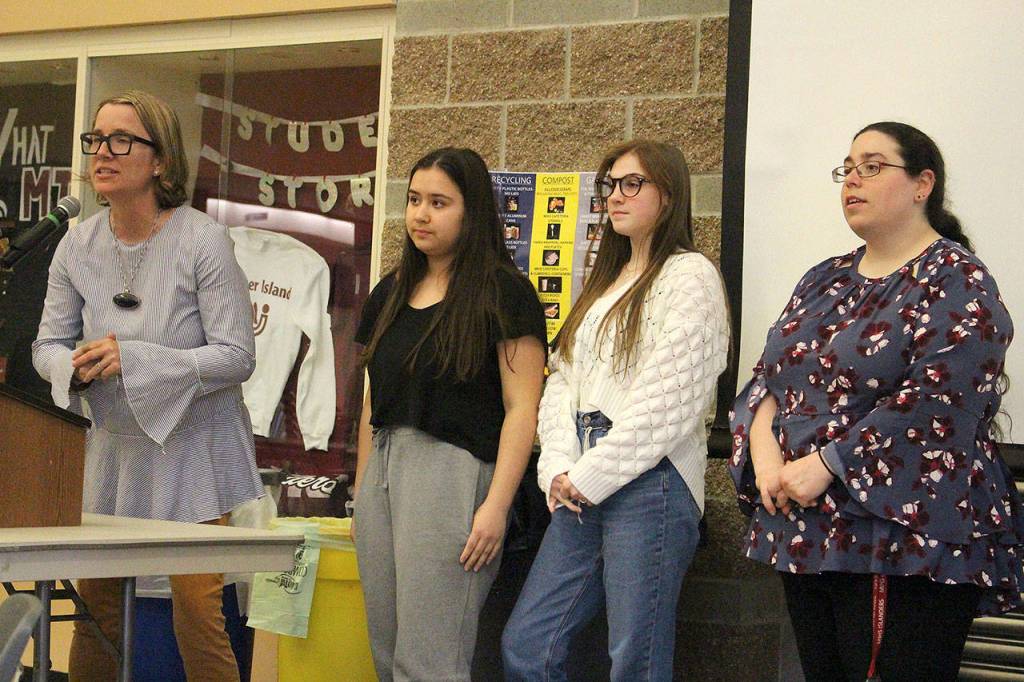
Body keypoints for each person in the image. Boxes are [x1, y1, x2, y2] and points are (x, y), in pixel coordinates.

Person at [729, 122, 1024, 682]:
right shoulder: (824, 278)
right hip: (807, 527)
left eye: (872, 166)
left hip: (903, 539)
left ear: (922, 185)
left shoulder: (956, 277)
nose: (852, 181)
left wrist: (825, 465)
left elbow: (940, 401)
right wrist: (767, 458)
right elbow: (770, 377)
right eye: (847, 168)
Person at [32, 90, 262, 682]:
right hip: (114, 450)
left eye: (120, 140)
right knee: (96, 612)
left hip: (195, 454)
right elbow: (45, 347)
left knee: (197, 614)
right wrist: (72, 367)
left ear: (160, 160)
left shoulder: (201, 239)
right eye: (94, 139)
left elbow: (237, 357)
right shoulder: (74, 244)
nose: (101, 152)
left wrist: (133, 357)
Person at [502, 139, 730, 681]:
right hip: (582, 479)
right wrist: (556, 466)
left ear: (668, 195)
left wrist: (589, 475)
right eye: (611, 185)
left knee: (635, 660)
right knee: (527, 646)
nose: (615, 196)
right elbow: (561, 382)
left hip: (652, 484)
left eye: (632, 184)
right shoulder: (603, 285)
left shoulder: (691, 275)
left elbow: (670, 402)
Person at [352, 147, 546, 681]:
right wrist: (365, 490)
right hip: (385, 471)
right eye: (414, 200)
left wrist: (496, 507)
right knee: (386, 649)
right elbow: (373, 403)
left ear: (472, 212)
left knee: (431, 660)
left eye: (439, 202)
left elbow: (522, 410)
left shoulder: (505, 293)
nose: (420, 214)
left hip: (454, 476)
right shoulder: (389, 291)